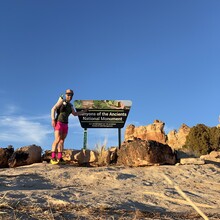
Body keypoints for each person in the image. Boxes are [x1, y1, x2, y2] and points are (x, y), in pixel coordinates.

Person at [50, 89, 86, 164]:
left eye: (70, 94)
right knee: (57, 139)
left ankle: (60, 158)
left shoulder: (70, 105)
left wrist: (83, 112)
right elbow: (53, 109)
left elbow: (74, 114)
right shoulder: (61, 101)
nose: (69, 96)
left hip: (65, 124)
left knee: (62, 141)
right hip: (59, 122)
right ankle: (53, 157)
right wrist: (53, 119)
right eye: (68, 94)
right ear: (65, 94)